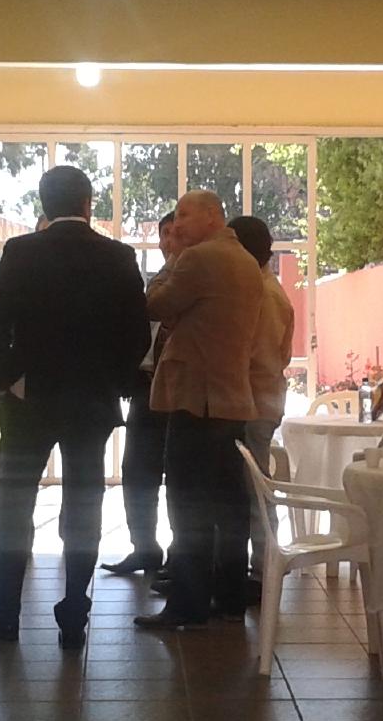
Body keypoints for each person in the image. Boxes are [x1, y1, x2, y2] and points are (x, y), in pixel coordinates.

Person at [0, 166, 149, 649]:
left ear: (44, 205)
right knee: (85, 504)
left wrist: (11, 382)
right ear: (89, 204)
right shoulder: (118, 256)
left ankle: (3, 614)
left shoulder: (21, 251)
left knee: (13, 505)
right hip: (91, 401)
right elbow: (135, 334)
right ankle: (74, 612)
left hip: (30, 400)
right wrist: (114, 382)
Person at [137, 191, 263, 630]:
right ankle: (229, 595)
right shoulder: (245, 261)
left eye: (185, 215)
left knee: (187, 502)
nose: (177, 225)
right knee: (229, 504)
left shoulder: (197, 258)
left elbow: (155, 306)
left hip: (197, 397)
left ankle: (188, 603)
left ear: (213, 216)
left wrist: (170, 260)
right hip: (232, 396)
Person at [102, 209, 179, 578]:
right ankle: (144, 547)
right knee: (135, 473)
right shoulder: (153, 284)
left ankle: (182, 558)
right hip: (146, 389)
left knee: (179, 478)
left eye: (176, 234)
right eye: (164, 234)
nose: (169, 242)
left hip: (179, 394)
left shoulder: (194, 281)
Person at [230, 215, 294, 585]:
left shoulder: (265, 294)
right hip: (255, 399)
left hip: (256, 402)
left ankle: (264, 570)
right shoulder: (260, 288)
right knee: (251, 487)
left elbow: (265, 358)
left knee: (256, 488)